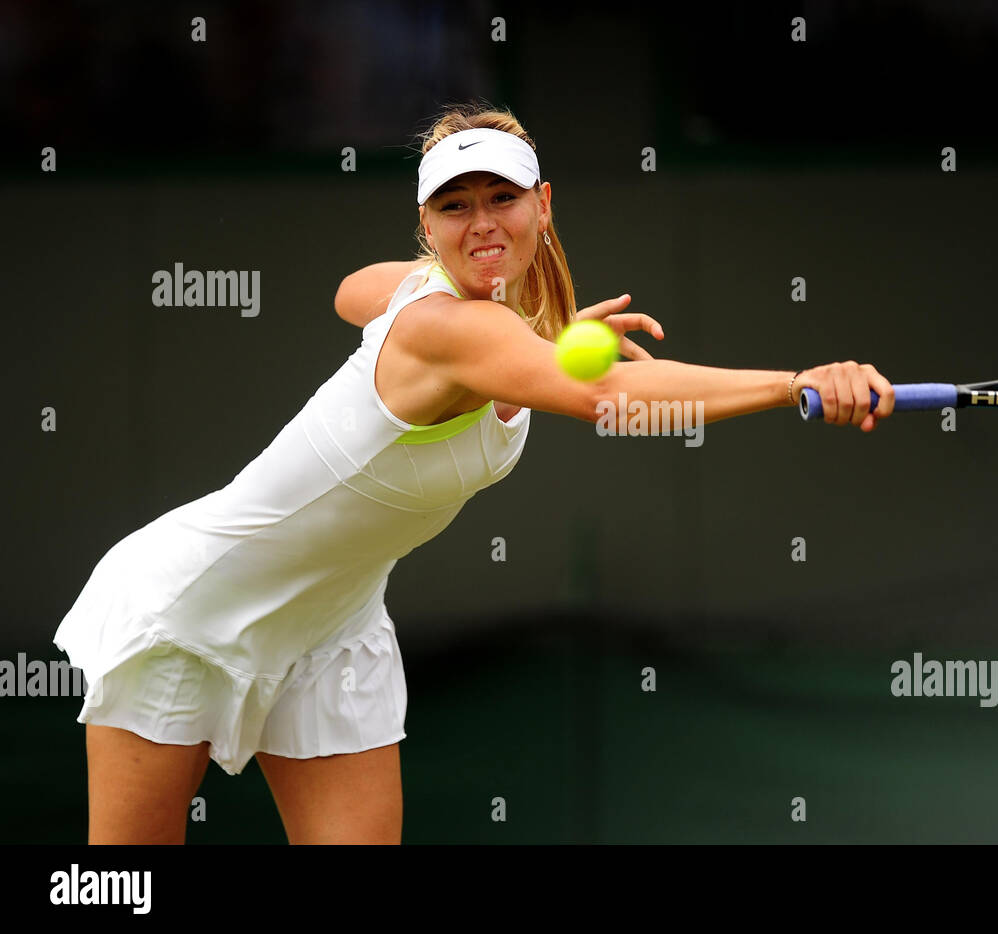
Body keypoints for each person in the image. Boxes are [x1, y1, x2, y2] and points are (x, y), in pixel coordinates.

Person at [53, 104, 895, 845]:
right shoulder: (446, 329)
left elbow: (352, 290)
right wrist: (796, 384)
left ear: (543, 205)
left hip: (333, 625)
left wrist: (533, 327)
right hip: (193, 606)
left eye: (502, 198)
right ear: (427, 224)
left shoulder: (462, 311)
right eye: (455, 207)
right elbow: (608, 394)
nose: (482, 222)